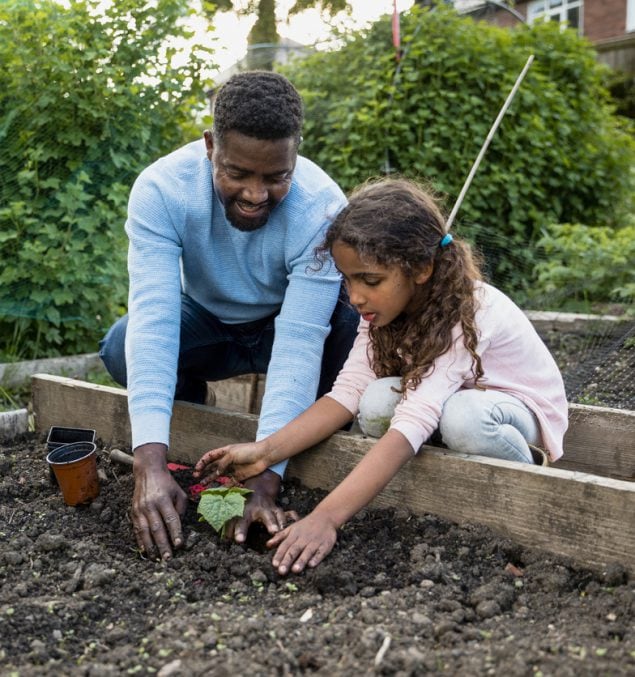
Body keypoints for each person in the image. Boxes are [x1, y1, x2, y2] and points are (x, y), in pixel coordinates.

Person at [193, 177, 569, 576]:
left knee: (464, 418)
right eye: (349, 279)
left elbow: (415, 418)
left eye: (370, 280)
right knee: (374, 400)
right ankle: (445, 474)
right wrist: (265, 451)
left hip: (514, 414)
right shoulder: (379, 315)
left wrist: (326, 518)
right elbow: (347, 393)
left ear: (421, 268)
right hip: (448, 404)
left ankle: (532, 473)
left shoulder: (466, 310)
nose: (355, 297)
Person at [99, 71, 358, 561]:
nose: (256, 194)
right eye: (238, 173)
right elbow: (155, 317)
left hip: (284, 323)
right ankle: (186, 434)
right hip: (208, 321)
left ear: (295, 157)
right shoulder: (162, 189)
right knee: (121, 344)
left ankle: (317, 441)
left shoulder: (321, 208)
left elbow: (300, 343)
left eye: (275, 176)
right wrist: (148, 462)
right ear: (210, 146)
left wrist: (264, 483)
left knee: (349, 319)